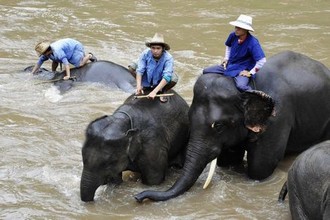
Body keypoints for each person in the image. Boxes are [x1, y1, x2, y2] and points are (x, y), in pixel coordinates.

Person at [203, 14, 266, 91]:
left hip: (242, 69)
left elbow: (262, 60)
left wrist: (250, 73)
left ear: (246, 30)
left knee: (241, 86)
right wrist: (226, 58)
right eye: (236, 27)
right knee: (206, 71)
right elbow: (228, 46)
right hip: (229, 65)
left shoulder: (253, 43)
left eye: (239, 28)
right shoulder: (233, 35)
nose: (236, 29)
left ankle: (254, 95)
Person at [134, 33, 177, 103]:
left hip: (160, 77)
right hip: (148, 74)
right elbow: (140, 70)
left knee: (174, 78)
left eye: (158, 48)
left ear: (163, 49)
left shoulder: (168, 58)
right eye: (153, 48)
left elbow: (167, 76)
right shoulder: (145, 54)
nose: (155, 51)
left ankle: (163, 90)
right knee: (132, 66)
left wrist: (154, 92)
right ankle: (143, 85)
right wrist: (138, 86)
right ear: (150, 48)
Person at [31, 38, 97, 80]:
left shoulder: (57, 51)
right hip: (66, 47)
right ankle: (54, 72)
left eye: (43, 53)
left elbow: (66, 64)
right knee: (55, 60)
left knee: (79, 64)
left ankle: (89, 56)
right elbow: (39, 63)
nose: (43, 55)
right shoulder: (47, 53)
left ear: (47, 52)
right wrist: (32, 73)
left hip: (74, 47)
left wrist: (68, 76)